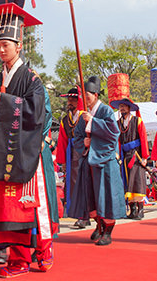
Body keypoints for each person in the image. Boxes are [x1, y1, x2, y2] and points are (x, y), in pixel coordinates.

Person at [0, 4, 59, 277]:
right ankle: (17, 259)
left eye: (6, 45)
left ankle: (43, 250)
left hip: (23, 149)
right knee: (6, 207)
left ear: (19, 46)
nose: (1, 50)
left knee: (30, 204)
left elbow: (36, 112)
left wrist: (3, 99)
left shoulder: (32, 80)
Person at [69, 75, 126, 246]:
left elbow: (113, 134)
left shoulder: (106, 111)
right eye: (83, 95)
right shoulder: (84, 114)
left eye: (87, 95)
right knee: (91, 197)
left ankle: (107, 231)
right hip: (89, 160)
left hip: (105, 161)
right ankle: (98, 225)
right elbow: (77, 136)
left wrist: (93, 122)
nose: (85, 98)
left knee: (106, 196)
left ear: (95, 95)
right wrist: (84, 143)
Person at [112, 97, 149, 220]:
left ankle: (141, 210)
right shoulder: (118, 123)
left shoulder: (137, 121)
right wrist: (117, 154)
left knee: (137, 181)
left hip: (136, 154)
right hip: (124, 156)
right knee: (127, 182)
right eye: (120, 106)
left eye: (124, 106)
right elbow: (116, 140)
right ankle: (132, 210)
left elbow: (143, 138)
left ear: (129, 108)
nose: (122, 108)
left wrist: (144, 157)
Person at [55, 87, 88, 228]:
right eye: (68, 100)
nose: (70, 102)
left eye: (73, 100)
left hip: (84, 153)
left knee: (84, 184)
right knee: (74, 185)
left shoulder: (84, 116)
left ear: (79, 101)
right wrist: (62, 161)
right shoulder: (65, 120)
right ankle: (80, 215)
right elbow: (62, 141)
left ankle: (85, 215)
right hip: (71, 155)